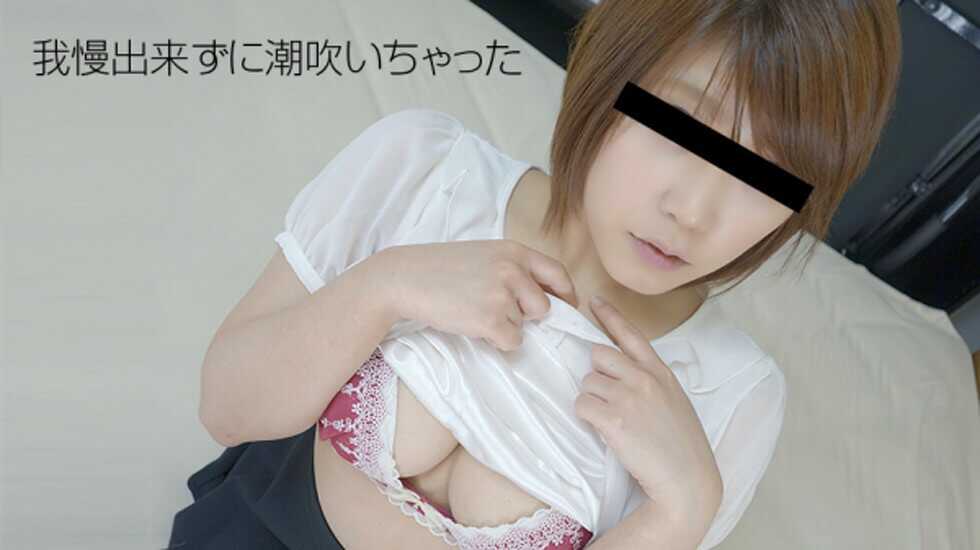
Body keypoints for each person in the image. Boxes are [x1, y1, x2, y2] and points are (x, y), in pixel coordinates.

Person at [167, 1, 902, 548]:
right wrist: (386, 287)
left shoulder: (736, 395)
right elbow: (226, 409)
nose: (692, 211)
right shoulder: (424, 168)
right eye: (681, 128)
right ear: (610, 71)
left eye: (763, 176)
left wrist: (683, 510)